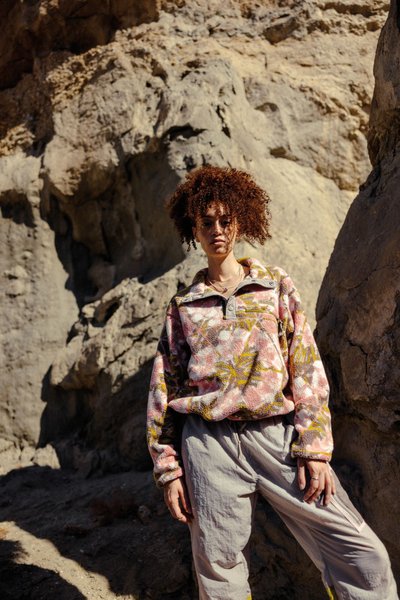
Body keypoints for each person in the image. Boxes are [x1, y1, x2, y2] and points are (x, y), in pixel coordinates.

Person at [146, 165, 398, 600]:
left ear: (241, 221)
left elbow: (306, 365)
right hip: (208, 444)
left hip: (277, 437)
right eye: (207, 223)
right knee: (220, 574)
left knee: (363, 554)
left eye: (226, 220)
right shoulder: (183, 306)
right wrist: (168, 471)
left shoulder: (274, 286)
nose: (217, 231)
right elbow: (164, 388)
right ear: (194, 229)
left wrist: (313, 448)